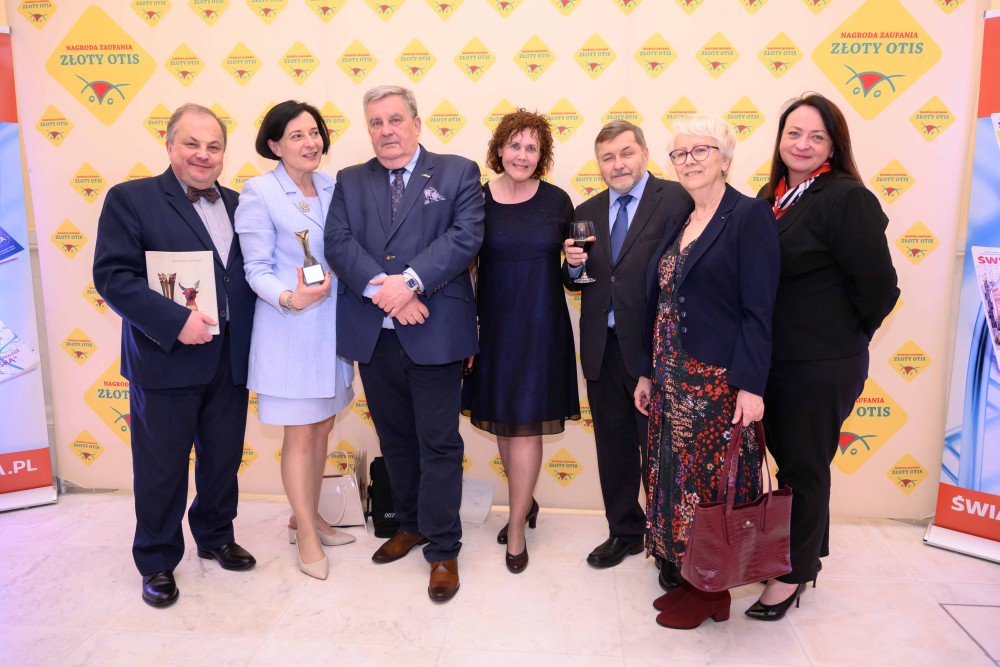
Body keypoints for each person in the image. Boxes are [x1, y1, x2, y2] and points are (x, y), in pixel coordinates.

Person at [93, 103, 257, 609]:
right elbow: (113, 276)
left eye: (214, 146)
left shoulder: (241, 204)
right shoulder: (131, 199)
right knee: (161, 467)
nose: (203, 155)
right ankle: (157, 560)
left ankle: (215, 535)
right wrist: (173, 320)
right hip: (165, 358)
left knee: (222, 458)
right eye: (192, 144)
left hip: (230, 357)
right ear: (169, 146)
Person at [324, 85, 483, 602]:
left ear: (416, 123)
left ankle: (443, 548)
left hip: (435, 330)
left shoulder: (458, 172)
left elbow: (465, 236)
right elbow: (338, 243)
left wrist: (410, 282)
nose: (386, 131)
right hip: (376, 334)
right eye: (376, 122)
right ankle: (410, 524)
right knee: (395, 439)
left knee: (438, 443)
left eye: (395, 120)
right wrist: (386, 292)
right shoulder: (351, 180)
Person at [747, 94, 899, 620]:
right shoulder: (771, 196)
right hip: (773, 361)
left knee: (804, 467)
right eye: (794, 133)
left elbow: (879, 288)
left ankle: (792, 576)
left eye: (816, 136)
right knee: (791, 463)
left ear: (833, 145)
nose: (803, 144)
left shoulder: (847, 198)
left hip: (820, 363)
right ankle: (802, 555)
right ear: (780, 140)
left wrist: (843, 337)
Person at [633, 115, 780, 629]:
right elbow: (662, 303)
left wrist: (751, 386)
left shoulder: (749, 215)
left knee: (711, 488)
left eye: (701, 150)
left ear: (725, 158)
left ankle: (712, 590)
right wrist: (649, 372)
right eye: (680, 153)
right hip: (671, 380)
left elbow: (759, 310)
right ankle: (693, 578)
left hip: (716, 383)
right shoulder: (682, 219)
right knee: (676, 483)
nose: (689, 160)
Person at [562, 121, 691, 581]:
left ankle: (669, 544)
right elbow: (578, 281)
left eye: (626, 153)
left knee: (661, 451)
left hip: (657, 352)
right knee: (613, 448)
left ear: (645, 154)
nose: (618, 164)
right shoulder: (586, 210)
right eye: (608, 157)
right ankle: (625, 531)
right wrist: (571, 268)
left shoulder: (676, 199)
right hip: (602, 348)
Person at [235, 100, 357, 581]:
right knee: (300, 434)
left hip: (332, 332)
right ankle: (306, 531)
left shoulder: (332, 186)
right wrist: (290, 298)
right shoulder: (260, 192)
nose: (310, 143)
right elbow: (255, 269)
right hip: (289, 330)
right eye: (297, 136)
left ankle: (307, 516)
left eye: (315, 133)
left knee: (322, 426)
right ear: (274, 145)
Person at [462, 109, 580, 574]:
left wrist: (575, 265)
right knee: (504, 425)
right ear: (499, 149)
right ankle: (524, 503)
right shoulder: (477, 198)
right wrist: (467, 324)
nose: (522, 155)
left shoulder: (557, 201)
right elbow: (466, 266)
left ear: (542, 155)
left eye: (532, 147)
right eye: (515, 145)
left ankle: (515, 530)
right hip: (492, 326)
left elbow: (574, 276)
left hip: (541, 326)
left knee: (527, 426)